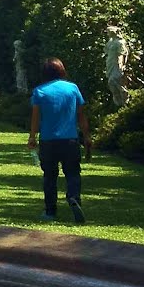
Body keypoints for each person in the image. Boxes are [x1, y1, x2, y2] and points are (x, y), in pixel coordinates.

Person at [28, 57, 92, 224]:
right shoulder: (72, 89)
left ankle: (50, 211)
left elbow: (36, 117)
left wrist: (32, 136)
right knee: (72, 173)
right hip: (70, 139)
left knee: (49, 176)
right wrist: (86, 136)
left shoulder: (39, 91)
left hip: (48, 141)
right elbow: (80, 115)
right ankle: (74, 199)